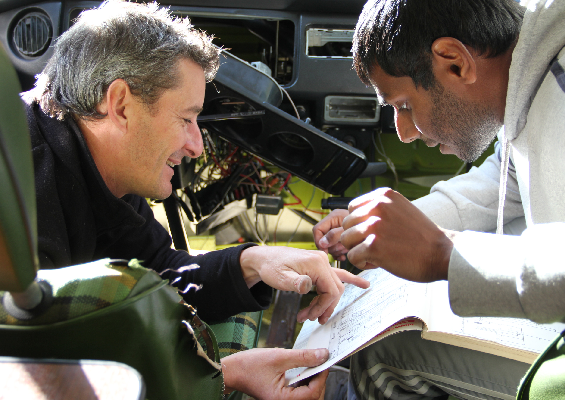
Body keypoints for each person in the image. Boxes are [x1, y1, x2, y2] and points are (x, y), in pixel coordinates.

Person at [21, 1, 369, 398]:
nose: (196, 146)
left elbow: (163, 274)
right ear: (120, 105)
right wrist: (224, 375)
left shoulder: (104, 173)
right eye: (185, 119)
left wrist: (254, 262)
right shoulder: (19, 190)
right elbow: (33, 376)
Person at [313, 0, 565, 398]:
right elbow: (511, 173)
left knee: (386, 357)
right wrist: (392, 228)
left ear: (454, 63)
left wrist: (446, 255)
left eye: (404, 106)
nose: (404, 133)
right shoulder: (533, 72)